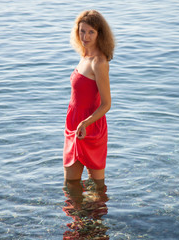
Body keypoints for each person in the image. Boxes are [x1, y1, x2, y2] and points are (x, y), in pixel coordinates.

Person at [63, 10, 115, 188]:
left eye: (91, 32)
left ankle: (97, 215)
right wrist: (78, 122)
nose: (85, 36)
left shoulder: (99, 62)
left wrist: (85, 122)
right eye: (82, 31)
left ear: (100, 34)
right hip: (74, 123)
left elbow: (107, 104)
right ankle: (79, 216)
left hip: (91, 126)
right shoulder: (84, 56)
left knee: (97, 186)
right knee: (71, 183)